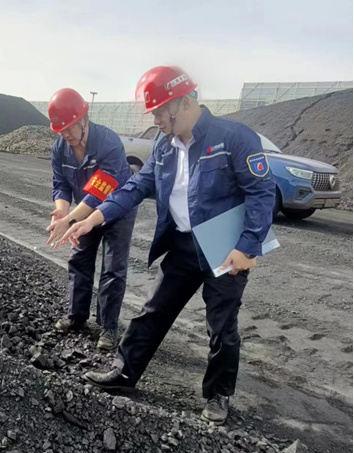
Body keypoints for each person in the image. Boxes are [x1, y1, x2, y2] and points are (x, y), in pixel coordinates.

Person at [60, 66, 276, 425]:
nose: (155, 120)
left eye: (159, 111)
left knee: (222, 324)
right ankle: (124, 373)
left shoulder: (234, 138)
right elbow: (134, 188)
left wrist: (248, 246)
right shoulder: (164, 146)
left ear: (184, 102)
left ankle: (218, 394)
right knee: (154, 310)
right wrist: (91, 219)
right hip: (183, 244)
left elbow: (261, 193)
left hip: (225, 247)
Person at [46, 88, 137, 351]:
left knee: (113, 267)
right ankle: (76, 316)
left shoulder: (108, 142)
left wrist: (70, 219)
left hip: (117, 211)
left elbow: (101, 192)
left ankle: (108, 326)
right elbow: (61, 185)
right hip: (82, 213)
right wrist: (62, 212)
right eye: (60, 130)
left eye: (69, 128)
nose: (65, 134)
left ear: (84, 119)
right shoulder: (60, 149)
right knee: (79, 259)